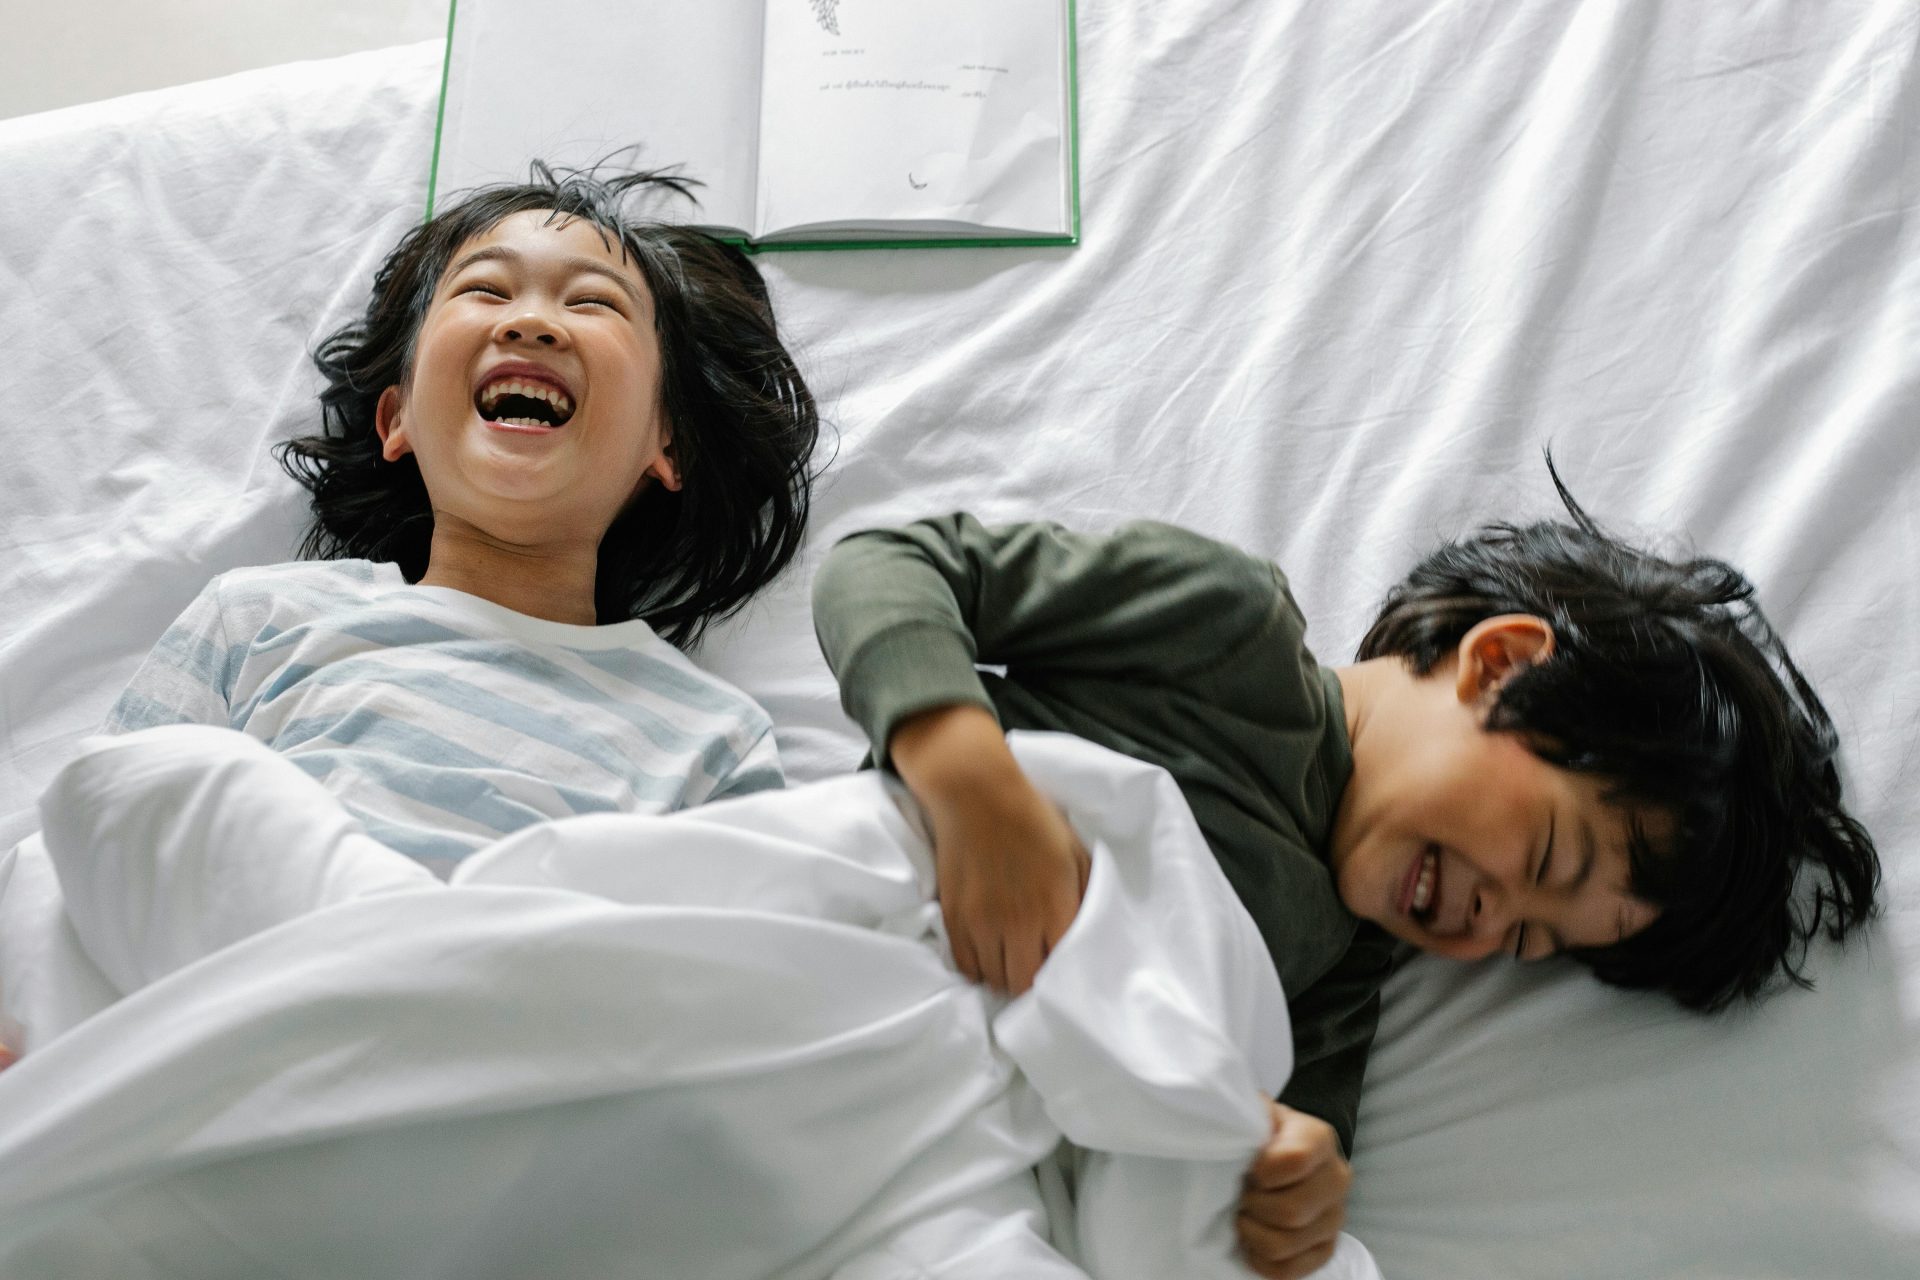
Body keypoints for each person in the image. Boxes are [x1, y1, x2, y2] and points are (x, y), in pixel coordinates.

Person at [808, 466, 1882, 1280]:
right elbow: (889, 564)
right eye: (1546, 857)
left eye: (1524, 940)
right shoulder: (1226, 629)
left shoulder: (1339, 969)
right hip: (867, 935)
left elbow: (1261, 1142)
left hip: (965, 1134)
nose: (1487, 914)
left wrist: (1289, 1174)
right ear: (1500, 662)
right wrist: (968, 775)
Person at [94, 162, 821, 878]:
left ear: (667, 443)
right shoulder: (257, 622)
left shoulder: (710, 739)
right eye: (485, 289)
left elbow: (739, 971)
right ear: (397, 418)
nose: (532, 322)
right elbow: (102, 842)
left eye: (593, 303)